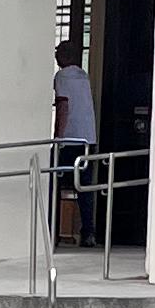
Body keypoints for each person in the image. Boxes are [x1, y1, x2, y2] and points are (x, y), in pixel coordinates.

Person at [49, 49, 98, 239]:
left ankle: (52, 230)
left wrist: (57, 137)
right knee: (84, 187)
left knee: (54, 183)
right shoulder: (83, 76)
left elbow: (63, 106)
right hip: (88, 138)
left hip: (69, 138)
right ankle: (88, 231)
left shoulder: (62, 76)